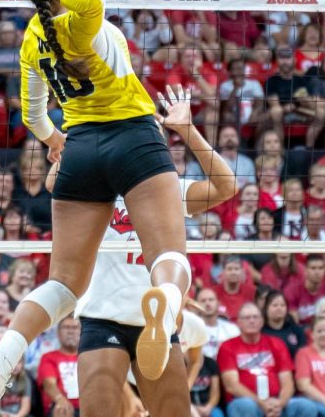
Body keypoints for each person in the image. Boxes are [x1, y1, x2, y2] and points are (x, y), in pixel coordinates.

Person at [0, 0, 193, 417]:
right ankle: (165, 305)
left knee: (65, 284)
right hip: (133, 138)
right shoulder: (83, 20)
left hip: (81, 149)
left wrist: (53, 141)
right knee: (169, 255)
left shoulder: (32, 41)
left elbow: (32, 114)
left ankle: (2, 357)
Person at [74, 84, 237, 417]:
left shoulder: (171, 190)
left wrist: (188, 131)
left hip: (157, 325)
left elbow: (227, 186)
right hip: (105, 317)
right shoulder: (96, 184)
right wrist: (89, 123)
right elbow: (53, 182)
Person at [217, 302, 318, 417]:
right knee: (245, 406)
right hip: (247, 402)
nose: (252, 321)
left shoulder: (276, 343)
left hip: (276, 401)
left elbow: (287, 382)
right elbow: (232, 385)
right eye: (247, 318)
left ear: (262, 322)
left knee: (305, 406)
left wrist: (279, 404)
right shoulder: (228, 347)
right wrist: (262, 404)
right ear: (238, 323)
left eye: (255, 317)